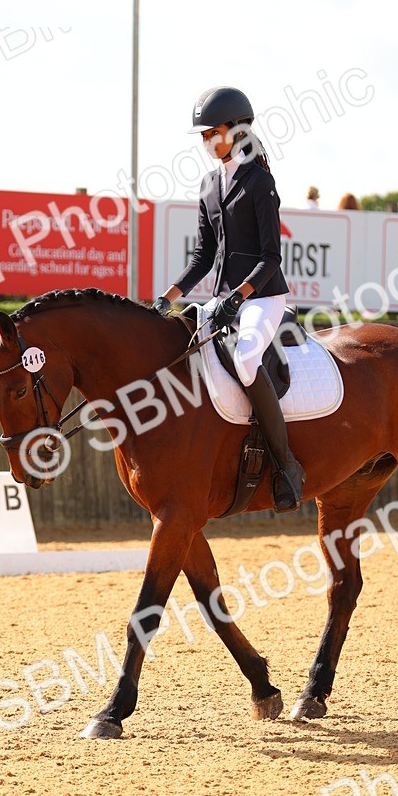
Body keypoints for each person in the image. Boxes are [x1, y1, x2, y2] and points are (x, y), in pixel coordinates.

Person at [152, 85, 305, 512]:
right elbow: (203, 256)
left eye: (211, 133)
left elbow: (272, 257)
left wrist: (238, 298)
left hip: (262, 298)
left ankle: (287, 464)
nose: (206, 142)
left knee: (245, 359)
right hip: (221, 299)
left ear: (236, 130)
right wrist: (167, 298)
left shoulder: (260, 181)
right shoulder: (208, 185)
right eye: (202, 136)